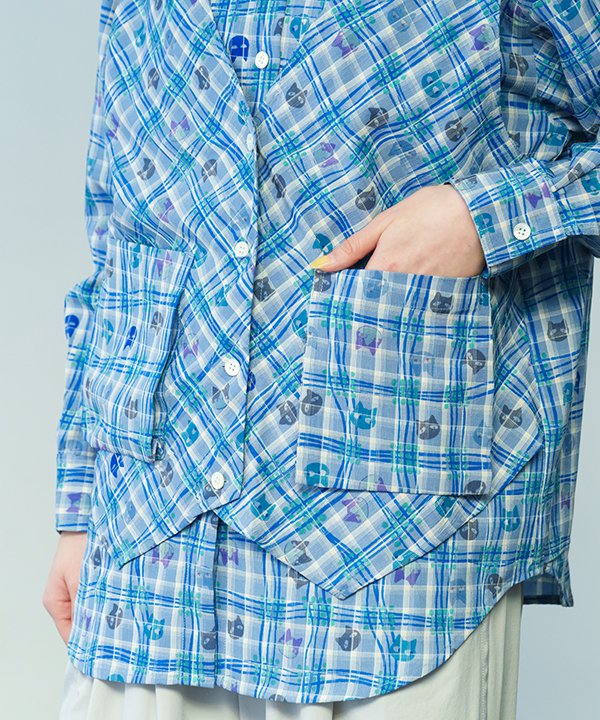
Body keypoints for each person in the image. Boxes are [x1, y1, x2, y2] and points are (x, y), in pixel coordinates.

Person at [43, 0, 600, 718]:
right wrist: (81, 510)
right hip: (153, 537)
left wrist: (483, 216)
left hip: (393, 545)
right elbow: (117, 237)